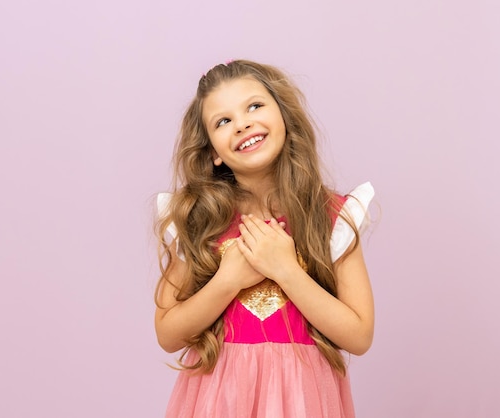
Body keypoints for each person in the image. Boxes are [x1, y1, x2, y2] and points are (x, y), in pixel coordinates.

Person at [155, 59, 375, 418]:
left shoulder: (333, 215)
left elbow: (359, 335)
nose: (242, 124)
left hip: (304, 403)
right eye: (223, 121)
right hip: (220, 403)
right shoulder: (196, 220)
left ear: (284, 115)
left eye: (254, 106)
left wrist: (286, 271)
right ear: (212, 151)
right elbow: (168, 334)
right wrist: (227, 281)